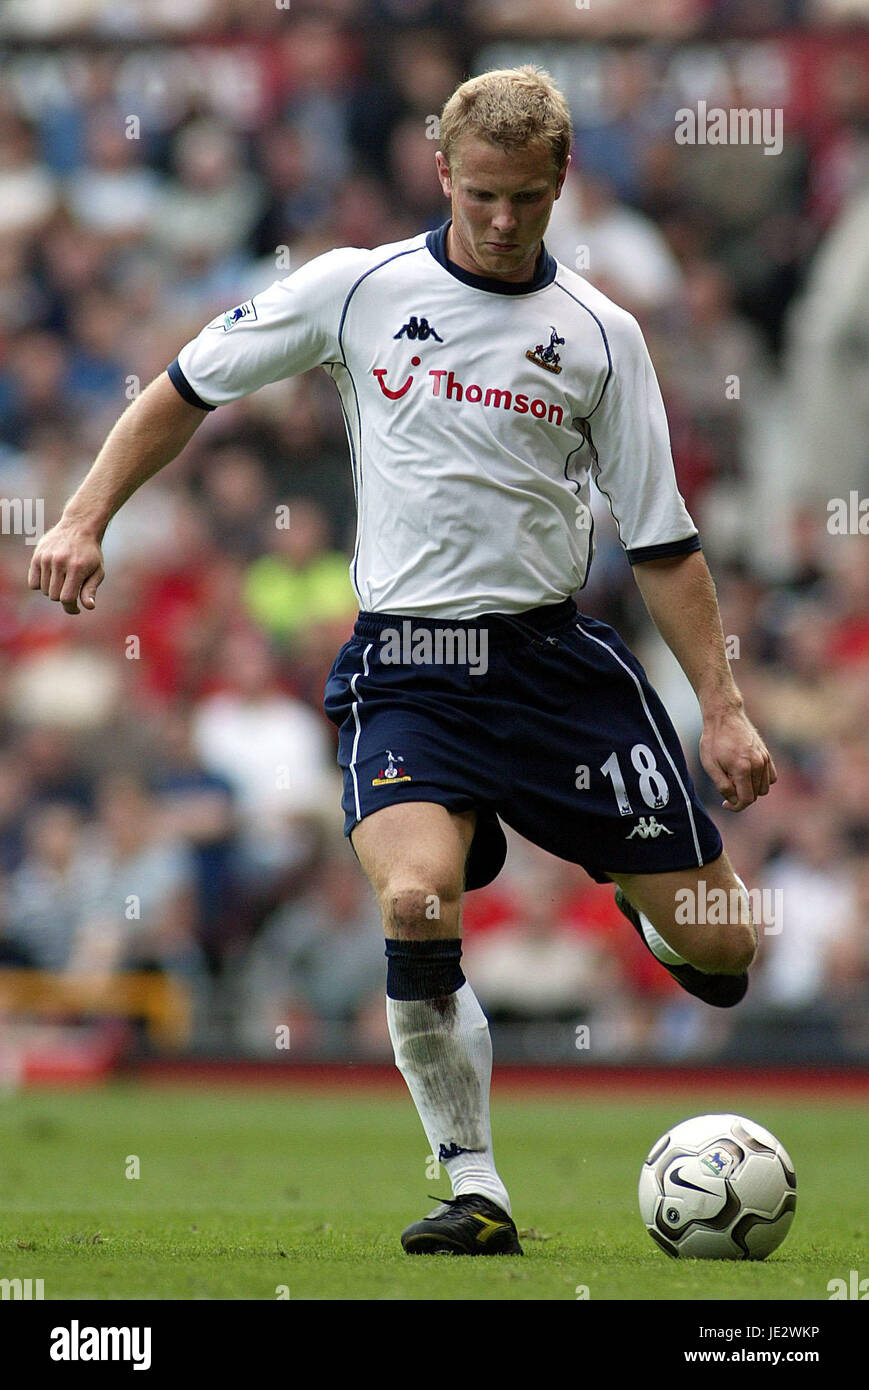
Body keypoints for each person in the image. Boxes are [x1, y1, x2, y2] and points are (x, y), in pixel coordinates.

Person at [28, 66, 775, 1258]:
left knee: (726, 949)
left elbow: (665, 542)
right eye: (478, 194)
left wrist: (723, 710)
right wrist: (80, 515)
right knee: (418, 897)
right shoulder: (355, 289)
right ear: (440, 172)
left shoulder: (598, 335)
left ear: (559, 184)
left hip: (555, 672)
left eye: (524, 199)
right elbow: (183, 387)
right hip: (409, 668)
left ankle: (634, 898)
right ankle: (475, 1187)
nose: (498, 220)